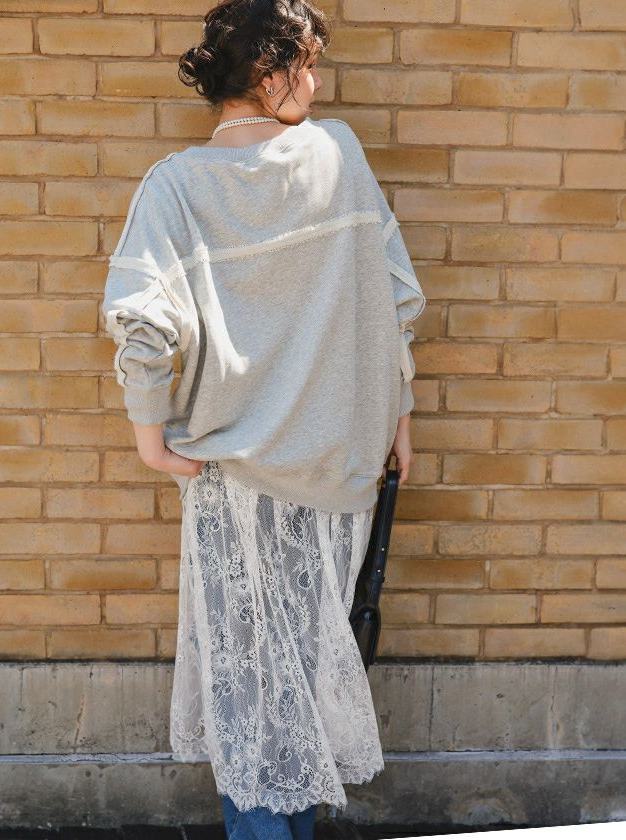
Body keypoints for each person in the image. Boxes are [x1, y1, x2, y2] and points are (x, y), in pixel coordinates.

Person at [102, 1, 426, 837]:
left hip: (232, 478)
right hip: (337, 471)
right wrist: (399, 414)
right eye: (305, 65)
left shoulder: (175, 186)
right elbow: (393, 297)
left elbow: (142, 320)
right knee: (307, 681)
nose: (315, 84)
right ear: (265, 72)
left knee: (249, 688)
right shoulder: (338, 155)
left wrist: (150, 438)